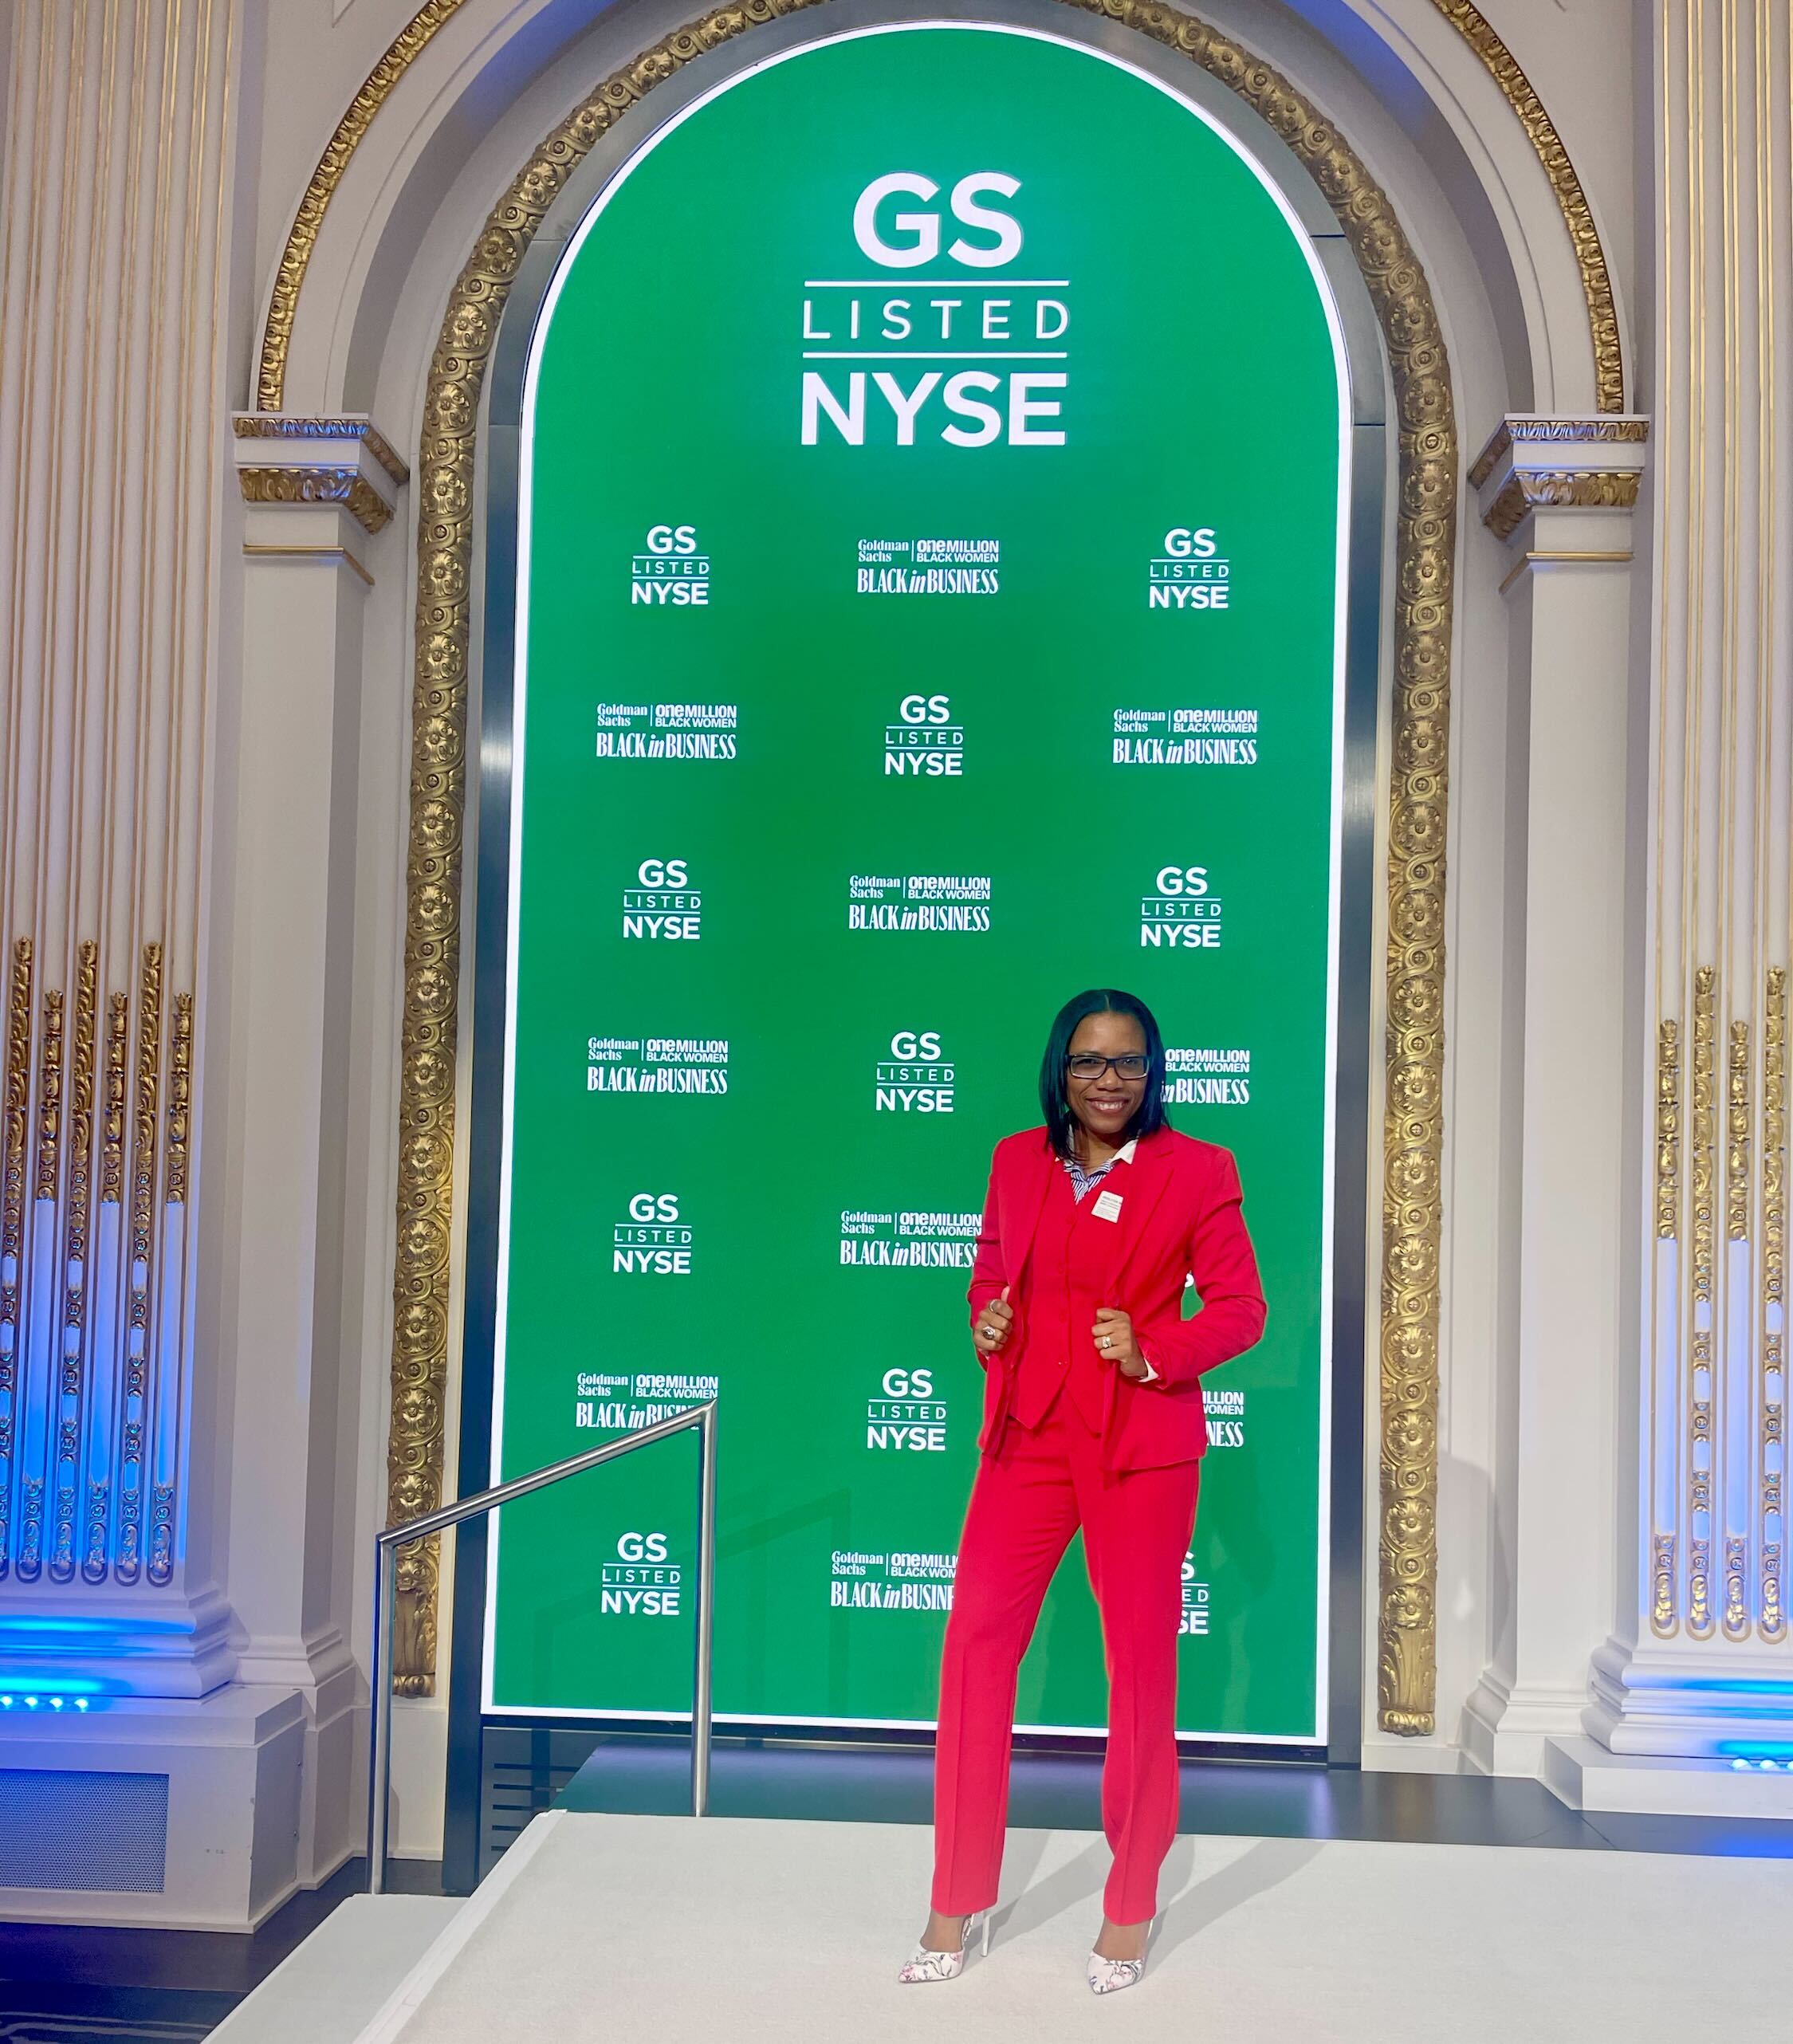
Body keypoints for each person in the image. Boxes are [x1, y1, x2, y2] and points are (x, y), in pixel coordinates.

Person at [898, 989, 1266, 1995]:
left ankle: (1130, 1899)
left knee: (1137, 1665)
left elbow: (1240, 1309)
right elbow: (987, 1273)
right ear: (1059, 1065)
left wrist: (1153, 1350)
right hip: (1025, 1436)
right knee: (974, 1643)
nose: (1109, 1079)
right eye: (1090, 1060)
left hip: (1138, 1448)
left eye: (1129, 1061)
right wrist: (985, 1322)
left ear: (1153, 1070)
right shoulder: (1017, 1159)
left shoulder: (1199, 1170)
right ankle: (956, 1892)